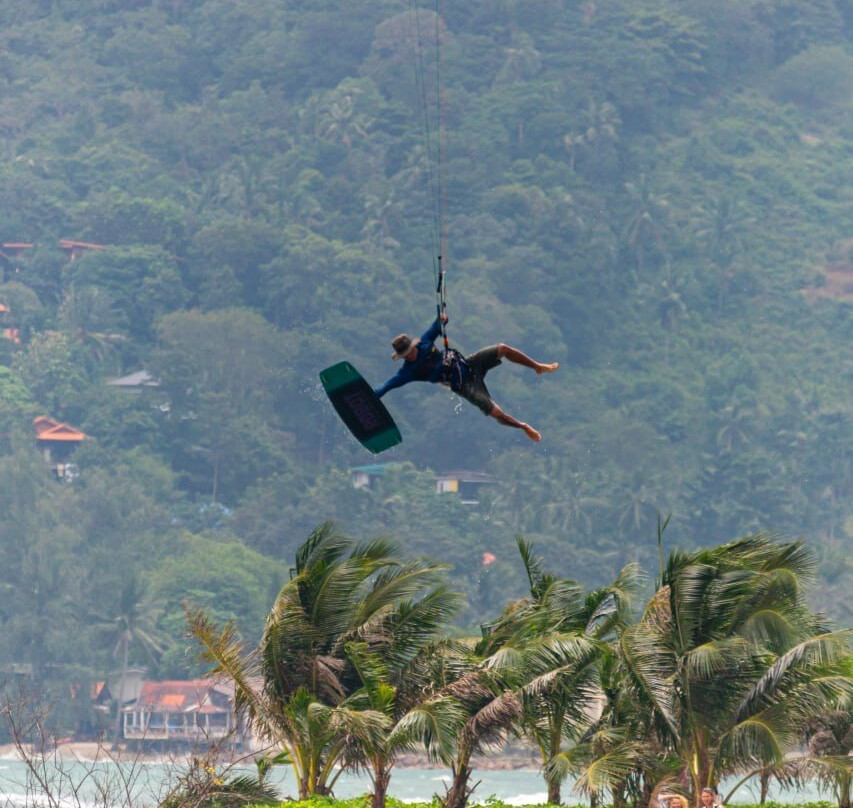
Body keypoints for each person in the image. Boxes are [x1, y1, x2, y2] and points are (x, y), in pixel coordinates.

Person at [374, 313, 558, 441]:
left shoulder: (425, 342)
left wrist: (443, 319)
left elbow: (437, 325)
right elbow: (387, 385)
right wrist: (372, 396)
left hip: (469, 364)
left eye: (409, 352)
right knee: (496, 413)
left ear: (413, 346)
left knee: (503, 348)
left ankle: (538, 367)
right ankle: (524, 426)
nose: (409, 356)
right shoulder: (408, 372)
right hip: (464, 385)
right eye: (405, 356)